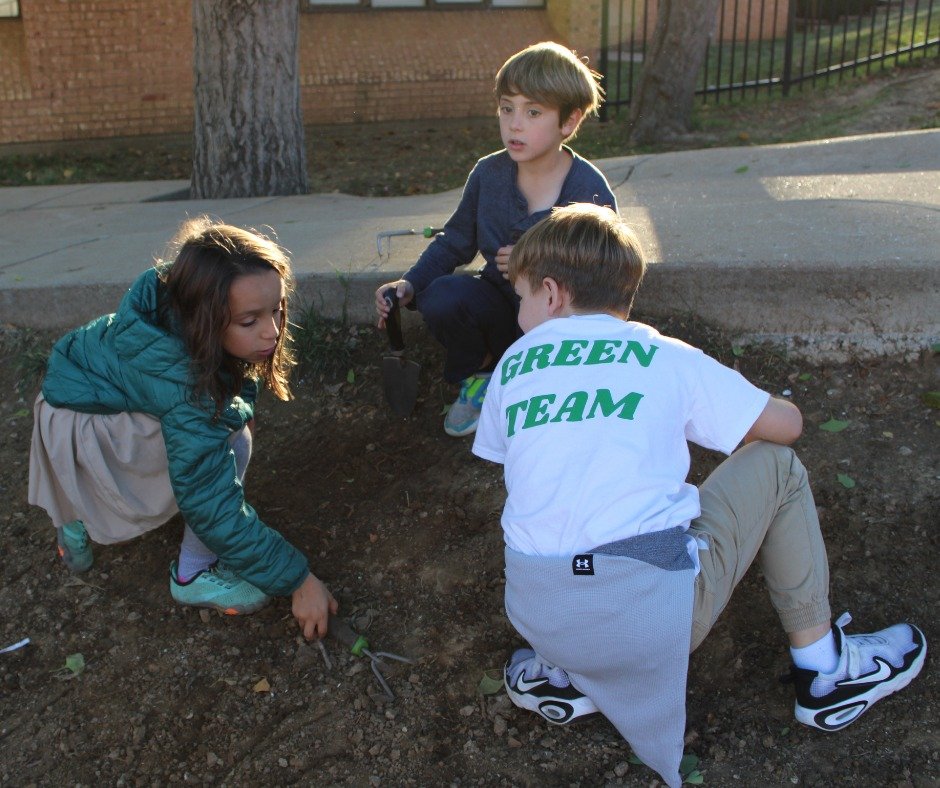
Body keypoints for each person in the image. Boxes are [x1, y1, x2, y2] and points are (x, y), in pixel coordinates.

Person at [470, 203, 927, 787]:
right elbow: (786, 429)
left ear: (553, 294)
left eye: (523, 298)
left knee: (559, 510)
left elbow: (519, 463)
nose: (522, 312)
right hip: (649, 622)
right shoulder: (662, 354)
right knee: (778, 467)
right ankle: (826, 670)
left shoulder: (513, 366)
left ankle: (563, 671)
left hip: (541, 617)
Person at [28, 217, 337, 640]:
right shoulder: (187, 387)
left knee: (208, 436)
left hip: (80, 393)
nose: (273, 330)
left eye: (278, 309)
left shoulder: (174, 301)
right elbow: (211, 503)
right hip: (80, 424)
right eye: (250, 322)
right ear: (205, 319)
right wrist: (298, 579)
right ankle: (193, 574)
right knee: (230, 440)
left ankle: (76, 513)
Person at [374, 41, 618, 437]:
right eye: (507, 109)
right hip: (498, 308)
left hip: (558, 322)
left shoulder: (589, 191)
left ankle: (551, 392)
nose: (514, 124)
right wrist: (409, 284)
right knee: (442, 295)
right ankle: (483, 372)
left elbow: (608, 275)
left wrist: (538, 262)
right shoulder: (489, 175)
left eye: (533, 112)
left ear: (569, 122)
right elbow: (454, 242)